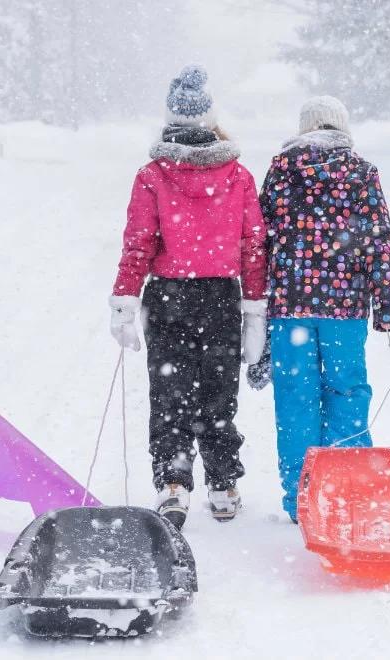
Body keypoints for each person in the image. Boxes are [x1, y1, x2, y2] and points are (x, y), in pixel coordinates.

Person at [109, 65, 267, 530]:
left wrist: (126, 299)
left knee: (170, 391)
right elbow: (253, 245)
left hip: (169, 296)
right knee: (219, 394)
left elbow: (139, 243)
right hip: (220, 294)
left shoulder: (153, 175)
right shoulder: (237, 175)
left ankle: (173, 481)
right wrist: (254, 308)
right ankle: (222, 484)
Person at [256, 96, 390, 522]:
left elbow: (261, 238)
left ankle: (302, 497)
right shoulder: (361, 172)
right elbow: (379, 240)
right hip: (346, 307)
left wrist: (255, 298)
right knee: (347, 393)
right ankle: (347, 491)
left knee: (296, 401)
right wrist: (386, 302)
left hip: (290, 307)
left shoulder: (283, 170)